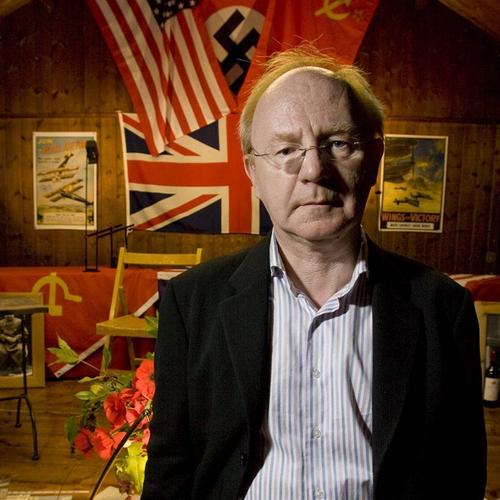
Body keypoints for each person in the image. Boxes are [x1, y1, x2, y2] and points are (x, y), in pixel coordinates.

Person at [142, 46, 486, 500]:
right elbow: (170, 470)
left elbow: (460, 474)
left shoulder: (443, 307)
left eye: (338, 144)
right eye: (287, 149)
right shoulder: (192, 303)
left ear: (374, 158)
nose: (314, 170)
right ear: (252, 171)